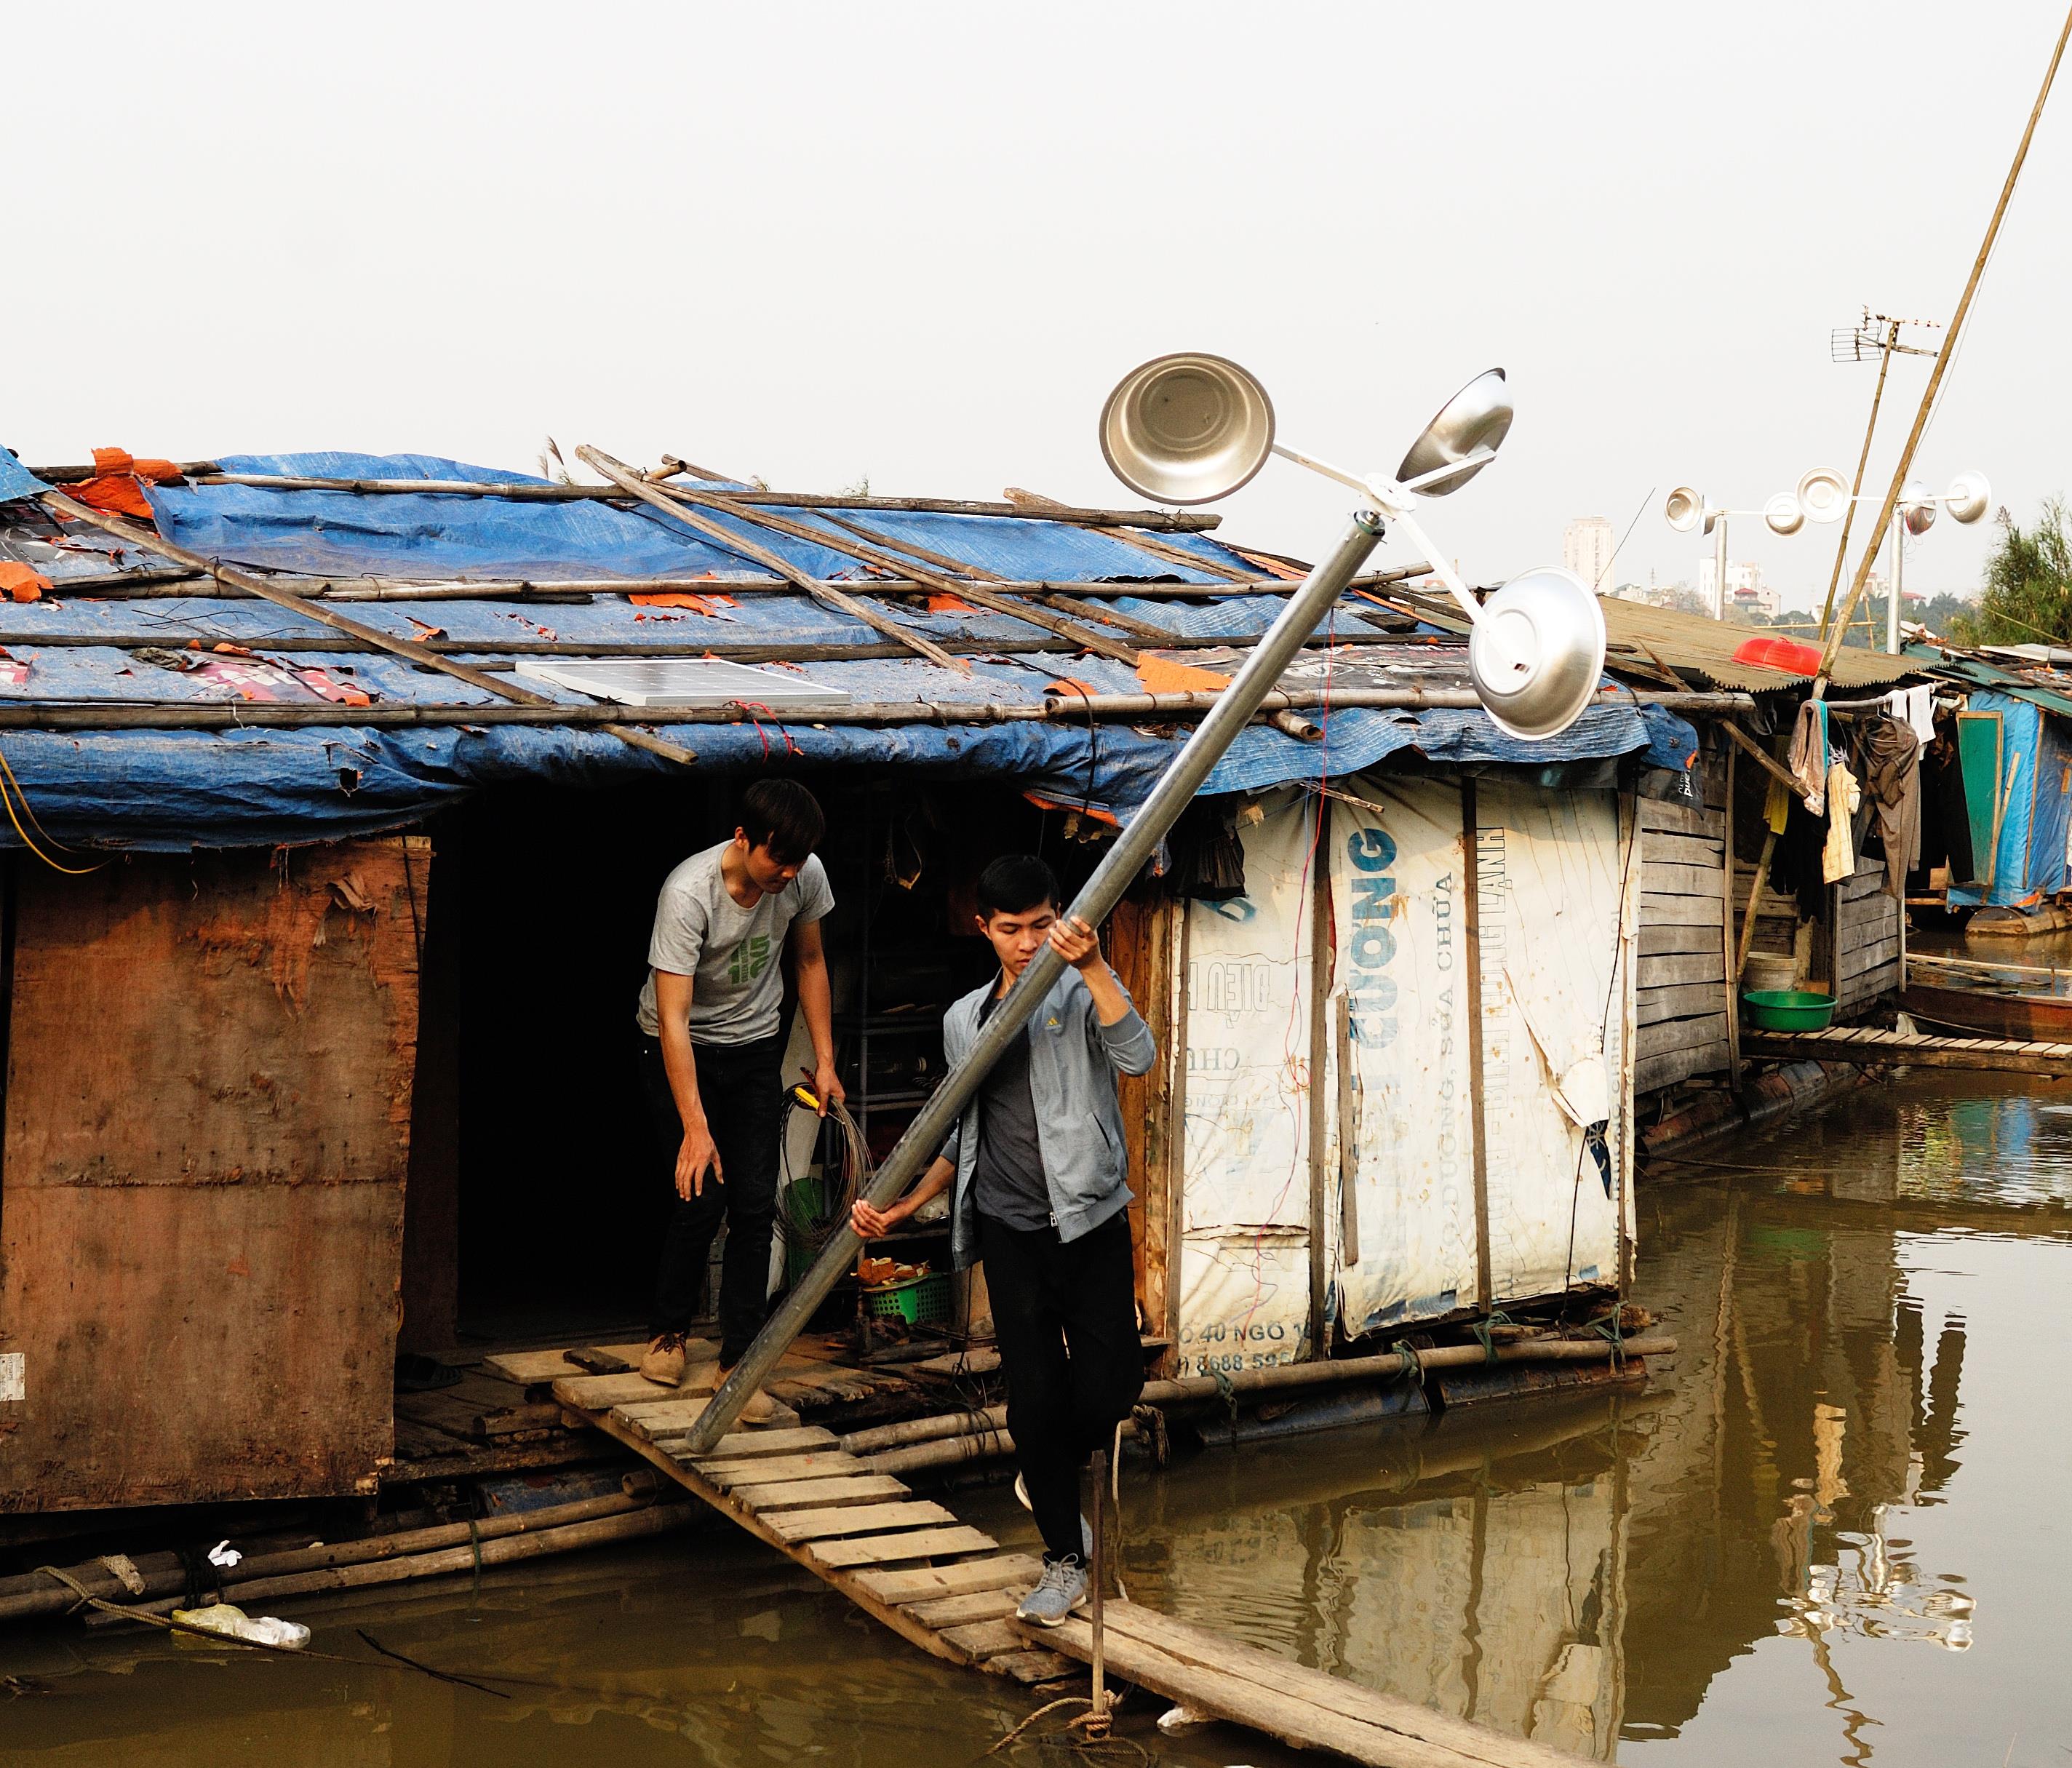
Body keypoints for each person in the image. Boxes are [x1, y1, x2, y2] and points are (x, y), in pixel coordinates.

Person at [850, 854, 1154, 1625]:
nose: (1026, 943)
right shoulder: (963, 1020)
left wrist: (1091, 969)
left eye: (1040, 925)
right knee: (1031, 1405)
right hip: (1008, 1228)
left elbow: (1137, 1057)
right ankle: (1062, 1560)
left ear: (1060, 917)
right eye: (1011, 929)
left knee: (1111, 1386)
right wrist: (903, 1207)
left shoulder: (1081, 990)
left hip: (1088, 1217)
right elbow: (961, 1134)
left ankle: (1042, 1467)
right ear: (981, 927)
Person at [636, 779, 843, 1420]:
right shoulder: (687, 894)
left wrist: (827, 1060)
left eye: (798, 862)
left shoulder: (803, 875)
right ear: (743, 839)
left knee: (756, 1202)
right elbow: (673, 1019)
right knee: (702, 1190)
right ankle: (667, 1332)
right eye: (777, 859)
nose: (787, 873)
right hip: (678, 1043)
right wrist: (696, 1128)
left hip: (754, 1045)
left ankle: (740, 1358)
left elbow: (809, 962)